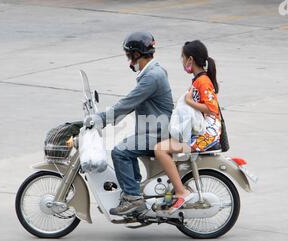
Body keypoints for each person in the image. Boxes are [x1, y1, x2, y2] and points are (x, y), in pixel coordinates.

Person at [87, 32, 174, 216]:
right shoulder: (153, 71)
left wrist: (101, 119)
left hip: (158, 134)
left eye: (128, 55)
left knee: (119, 152)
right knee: (126, 144)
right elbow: (129, 104)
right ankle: (133, 189)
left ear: (136, 54)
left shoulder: (152, 76)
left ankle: (133, 198)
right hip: (154, 131)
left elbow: (128, 103)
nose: (128, 60)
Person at [154, 40, 222, 214]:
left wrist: (189, 102)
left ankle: (181, 192)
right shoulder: (199, 79)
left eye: (182, 57)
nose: (182, 61)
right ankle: (174, 190)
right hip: (200, 131)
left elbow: (212, 109)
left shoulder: (203, 81)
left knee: (160, 150)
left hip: (206, 134)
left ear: (190, 59)